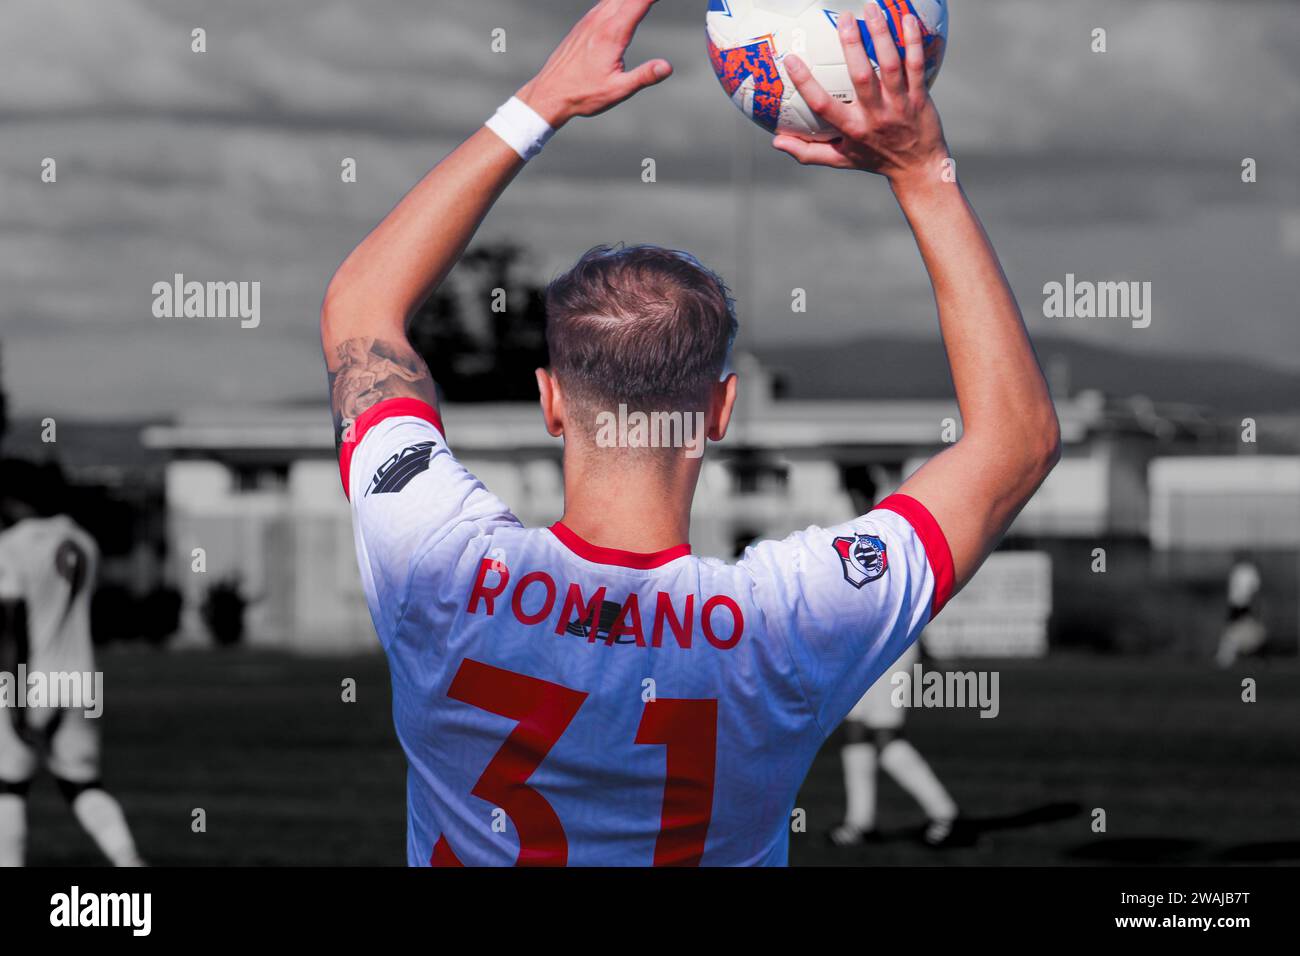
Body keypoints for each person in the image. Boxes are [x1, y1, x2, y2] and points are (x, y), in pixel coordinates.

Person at [321, 0, 1059, 865]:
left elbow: (360, 313)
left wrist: (541, 104)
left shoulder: (434, 565)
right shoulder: (786, 623)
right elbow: (1017, 441)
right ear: (719, 410)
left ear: (551, 401)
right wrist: (920, 168)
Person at [0, 511, 144, 867]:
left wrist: (15, 695)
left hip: (33, 678)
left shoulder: (14, 544)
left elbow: (13, 628)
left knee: (9, 787)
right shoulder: (84, 540)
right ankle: (129, 861)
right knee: (82, 784)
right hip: (83, 680)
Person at [829, 641, 960, 848]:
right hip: (862, 645)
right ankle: (860, 823)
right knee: (856, 732)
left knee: (885, 734)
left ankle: (946, 815)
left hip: (893, 640)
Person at [1215, 554, 1266, 668]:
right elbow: (1253, 590)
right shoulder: (1244, 570)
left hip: (1242, 604)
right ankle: (1227, 657)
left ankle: (1228, 657)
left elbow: (1252, 590)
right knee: (1236, 630)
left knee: (1241, 630)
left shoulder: (1244, 570)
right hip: (1240, 605)